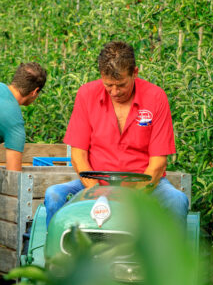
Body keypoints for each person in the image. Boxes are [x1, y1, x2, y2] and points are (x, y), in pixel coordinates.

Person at [44, 41, 189, 225]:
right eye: (108, 85)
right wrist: (98, 193)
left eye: (120, 85)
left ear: (134, 72)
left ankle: (171, 254)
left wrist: (131, 197)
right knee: (54, 195)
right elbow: (78, 155)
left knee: (177, 201)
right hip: (95, 182)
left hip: (145, 183)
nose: (114, 91)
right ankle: (57, 253)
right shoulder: (87, 94)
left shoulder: (156, 97)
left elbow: (158, 163)